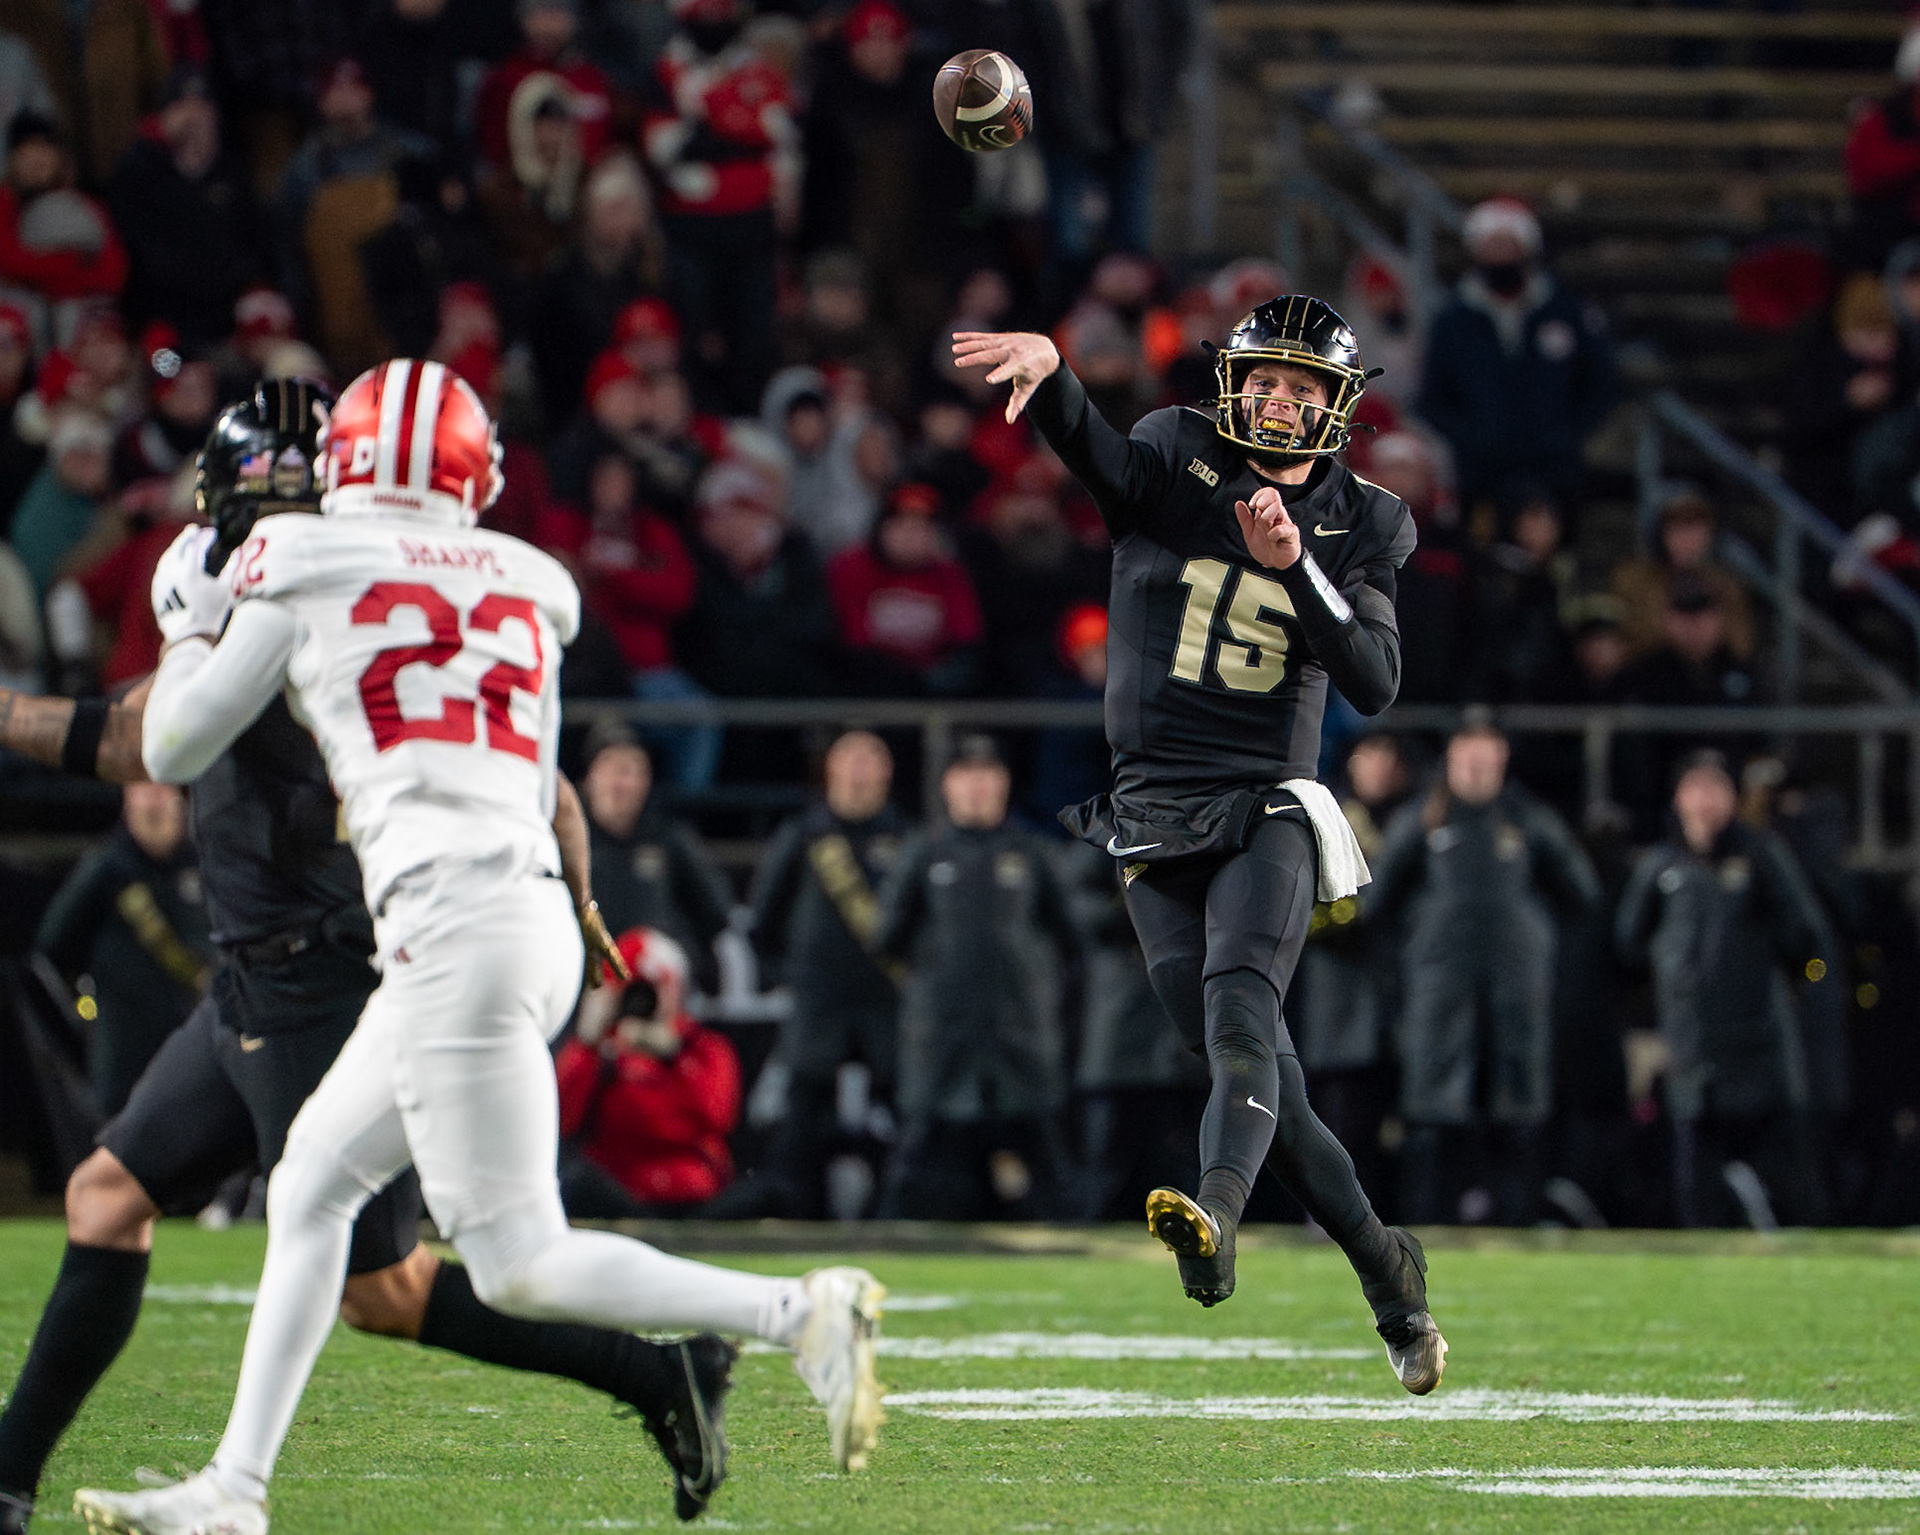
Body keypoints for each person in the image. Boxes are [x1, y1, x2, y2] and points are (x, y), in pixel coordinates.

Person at [72, 360, 885, 1535]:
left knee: (516, 1263)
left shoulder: (296, 561)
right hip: (519, 914)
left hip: (453, 925)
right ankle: (233, 1490)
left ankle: (796, 1311)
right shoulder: (528, 579)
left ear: (347, 462)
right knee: (306, 1183)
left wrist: (193, 620)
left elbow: (181, 743)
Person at [952, 297, 1446, 1394]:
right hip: (1150, 808)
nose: (1277, 400)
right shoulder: (1176, 451)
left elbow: (1373, 675)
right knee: (1266, 1075)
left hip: (1269, 798)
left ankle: (1214, 1215)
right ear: (1236, 382)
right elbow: (1100, 459)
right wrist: (1059, 373)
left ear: (1337, 408)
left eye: (1301, 387)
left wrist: (1292, 566)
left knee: (1238, 1019)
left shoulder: (1366, 519)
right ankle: (1388, 1268)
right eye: (1264, 379)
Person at [1368, 721, 1600, 1226]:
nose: (1475, 767)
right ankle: (1426, 1225)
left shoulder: (1528, 821)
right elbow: (1376, 904)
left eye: (1486, 757)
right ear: (1451, 761)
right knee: (1433, 1113)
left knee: (1516, 1111)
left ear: (1502, 761)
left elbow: (1581, 892)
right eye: (1467, 756)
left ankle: (1516, 1220)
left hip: (1514, 996)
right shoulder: (1424, 821)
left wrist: (1535, 945)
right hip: (1439, 996)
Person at [1616, 750, 1838, 1228]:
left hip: (1759, 1051)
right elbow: (1628, 945)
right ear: (1678, 799)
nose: (1706, 801)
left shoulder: (1760, 855)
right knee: (1697, 1191)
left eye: (1716, 788)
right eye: (1695, 788)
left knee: (1789, 1182)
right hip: (1691, 1054)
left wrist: (1800, 986)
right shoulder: (1662, 866)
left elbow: (1807, 940)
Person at [873, 736, 1081, 1220]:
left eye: (988, 774)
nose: (978, 787)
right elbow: (888, 938)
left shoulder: (1033, 853)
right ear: (947, 785)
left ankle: (1072, 1240)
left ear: (1004, 783)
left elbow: (1072, 938)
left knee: (1046, 1155)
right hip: (943, 1033)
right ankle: (890, 1234)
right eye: (966, 775)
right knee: (919, 1152)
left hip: (1020, 1033)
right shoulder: (923, 853)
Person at [744, 728, 908, 1218]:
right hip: (819, 1003)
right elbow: (763, 919)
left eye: (869, 760)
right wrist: (785, 974)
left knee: (903, 1116)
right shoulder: (803, 836)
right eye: (849, 760)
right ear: (830, 771)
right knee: (803, 1119)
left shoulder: (904, 838)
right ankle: (794, 1215)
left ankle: (897, 1215)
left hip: (888, 1002)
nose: (858, 772)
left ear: (886, 773)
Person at [1415, 198, 1612, 514]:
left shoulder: (1566, 312)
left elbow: (1600, 383)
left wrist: (1565, 436)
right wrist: (1475, 438)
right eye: (1492, 245)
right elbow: (1433, 398)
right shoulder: (1453, 321)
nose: (1501, 256)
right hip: (1481, 474)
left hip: (1555, 470)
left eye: (1509, 245)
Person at [34, 781, 209, 1118]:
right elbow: (52, 944)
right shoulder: (106, 868)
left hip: (194, 1044)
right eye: (144, 788)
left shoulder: (200, 862)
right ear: (127, 799)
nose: (156, 799)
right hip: (125, 1053)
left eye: (163, 787)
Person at [557, 927, 741, 1216]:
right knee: (576, 1183)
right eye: (632, 989)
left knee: (771, 1194)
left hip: (694, 1196)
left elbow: (716, 1117)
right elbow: (564, 1120)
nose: (641, 1001)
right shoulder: (598, 1052)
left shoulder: (705, 1049)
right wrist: (589, 1042)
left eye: (650, 989)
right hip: (621, 1194)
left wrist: (672, 1054)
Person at [578, 721, 733, 990]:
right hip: (584, 982)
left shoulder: (668, 837)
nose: (620, 784)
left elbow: (716, 911)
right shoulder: (567, 840)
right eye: (611, 769)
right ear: (591, 776)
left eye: (631, 771)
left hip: (658, 989)